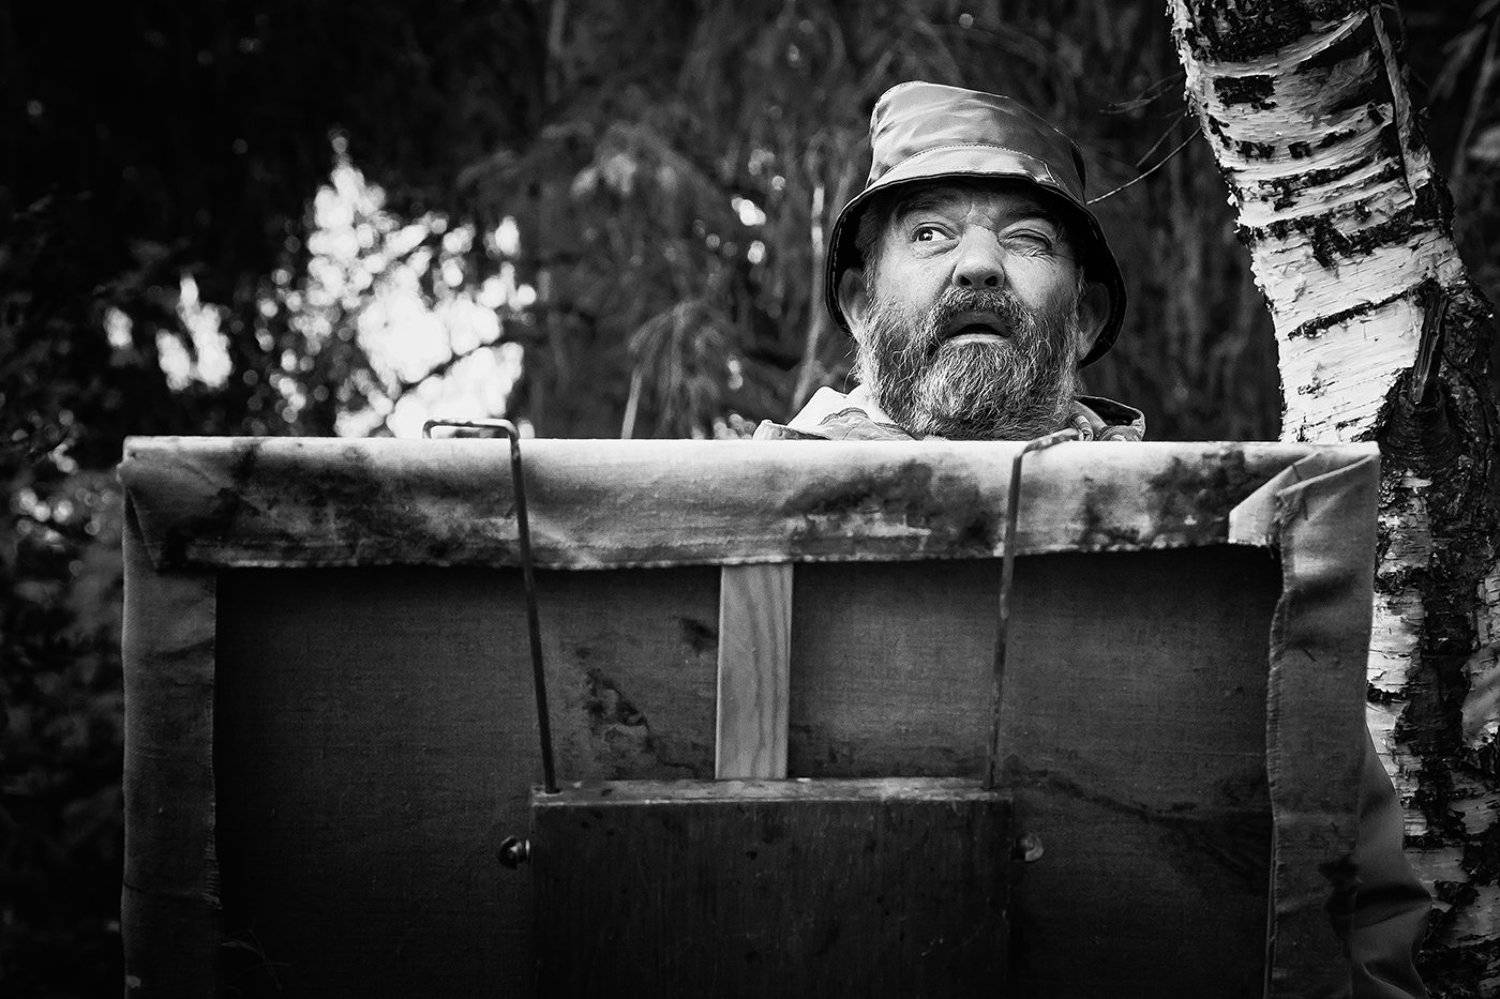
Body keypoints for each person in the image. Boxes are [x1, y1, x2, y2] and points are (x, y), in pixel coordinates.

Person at [755, 80, 1431, 998]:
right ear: (858, 301)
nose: (979, 266)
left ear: (1082, 319)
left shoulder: (1214, 565)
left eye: (1028, 239)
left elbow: (1357, 907)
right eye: (931, 233)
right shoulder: (736, 530)